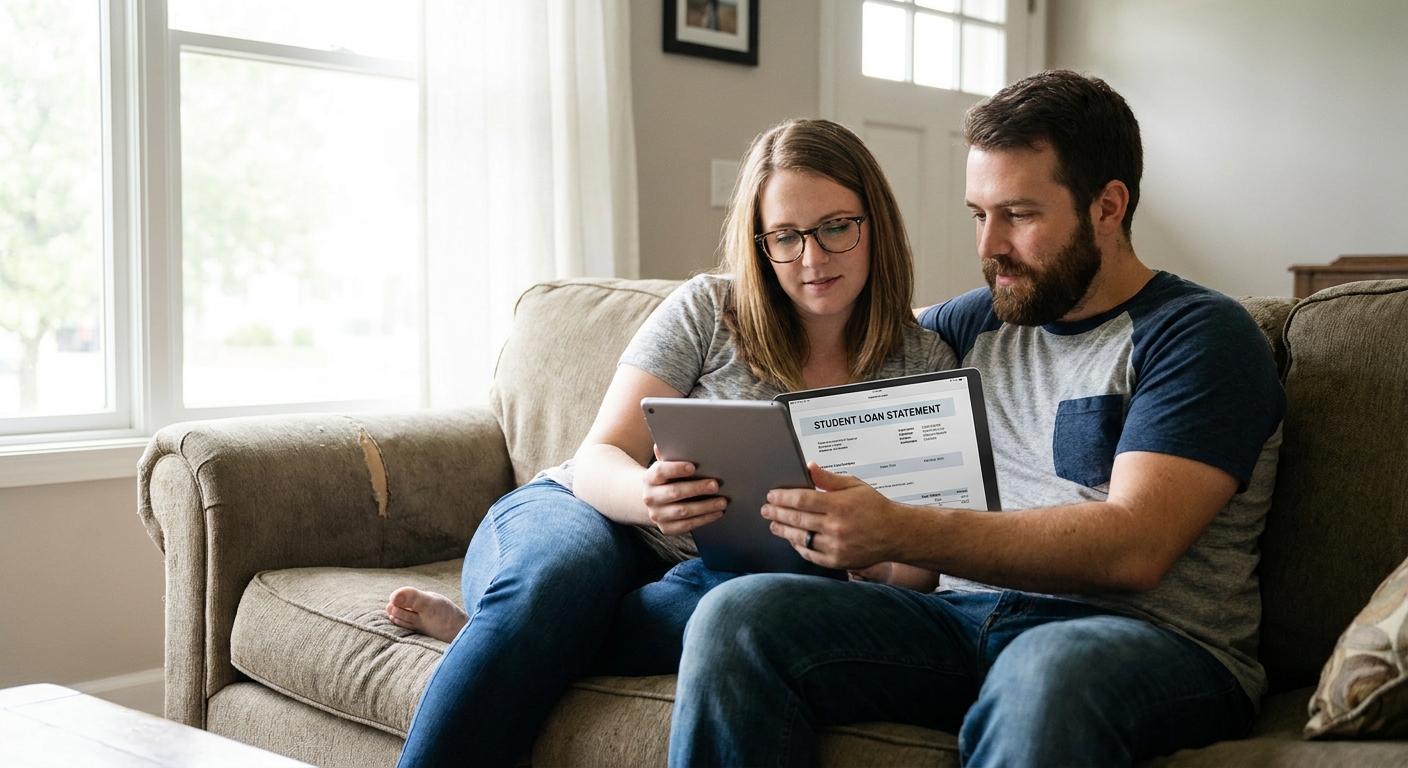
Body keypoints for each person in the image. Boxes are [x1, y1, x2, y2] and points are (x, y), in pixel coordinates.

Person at [668, 70, 1286, 767]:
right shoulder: (975, 323)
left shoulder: (1200, 336)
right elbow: (854, 328)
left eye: (1019, 215)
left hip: (1143, 641)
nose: (989, 246)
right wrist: (749, 318)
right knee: (739, 616)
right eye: (978, 214)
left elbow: (1131, 549)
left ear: (1108, 206)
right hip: (956, 624)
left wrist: (901, 528)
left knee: (1048, 667)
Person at [387, 117, 956, 767]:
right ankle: (513, 627)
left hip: (719, 574)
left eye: (836, 227)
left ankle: (493, 638)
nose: (813, 258)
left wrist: (875, 563)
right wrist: (645, 494)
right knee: (554, 582)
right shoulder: (709, 310)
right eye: (786, 237)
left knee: (733, 604)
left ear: (874, 221)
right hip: (590, 513)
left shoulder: (925, 361)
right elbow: (601, 456)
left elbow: (919, 557)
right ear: (759, 242)